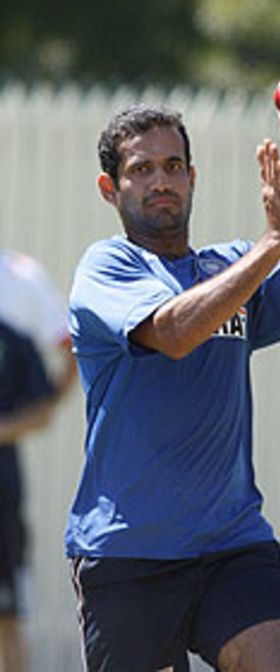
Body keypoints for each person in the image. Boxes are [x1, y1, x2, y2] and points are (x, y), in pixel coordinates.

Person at [66, 84, 280, 671]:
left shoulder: (229, 267)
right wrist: (273, 245)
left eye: (174, 165)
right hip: (131, 553)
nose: (162, 180)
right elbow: (177, 332)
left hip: (231, 545)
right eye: (142, 169)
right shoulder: (107, 267)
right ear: (111, 188)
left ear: (193, 177)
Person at [0, 251, 75, 672]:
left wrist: (19, 422)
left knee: (7, 616)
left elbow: (71, 349)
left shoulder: (20, 282)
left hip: (2, 494)